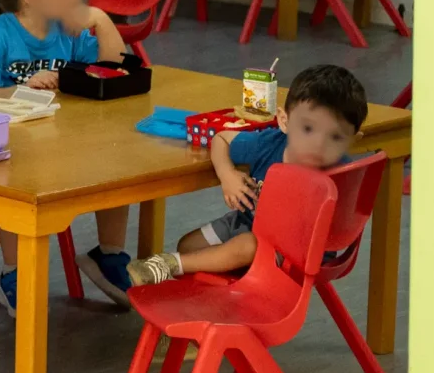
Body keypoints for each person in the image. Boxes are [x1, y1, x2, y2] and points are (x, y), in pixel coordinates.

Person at [0, 0, 137, 309]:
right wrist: (18, 88)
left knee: (118, 156)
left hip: (65, 140)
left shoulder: (64, 30)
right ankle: (14, 273)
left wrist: (102, 21)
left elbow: (117, 68)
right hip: (11, 149)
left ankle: (109, 255)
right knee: (16, 171)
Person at [128, 64, 367, 284]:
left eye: (335, 137)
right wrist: (227, 174)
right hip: (248, 222)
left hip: (297, 253)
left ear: (351, 141)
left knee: (249, 245)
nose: (318, 144)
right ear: (284, 121)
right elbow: (221, 138)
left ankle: (166, 265)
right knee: (189, 245)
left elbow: (339, 225)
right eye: (307, 128)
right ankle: (194, 310)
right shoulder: (269, 143)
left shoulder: (342, 174)